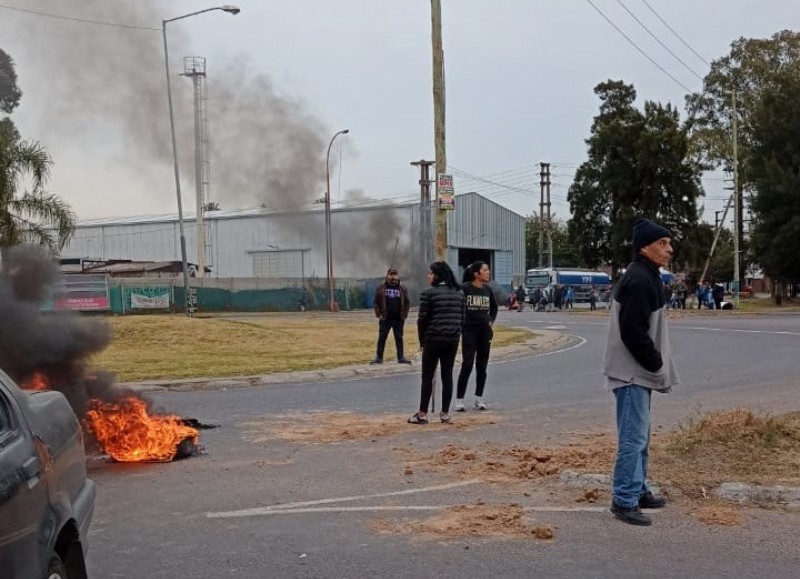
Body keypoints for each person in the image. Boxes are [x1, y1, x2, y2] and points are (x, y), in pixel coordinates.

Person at [603, 218, 681, 526]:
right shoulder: (639, 279)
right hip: (631, 372)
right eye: (663, 243)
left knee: (641, 437)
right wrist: (654, 362)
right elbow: (632, 330)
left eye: (669, 243)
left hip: (638, 372)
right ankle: (624, 499)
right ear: (644, 247)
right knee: (633, 439)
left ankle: (638, 489)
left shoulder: (647, 275)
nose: (669, 249)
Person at [409, 261, 465, 424]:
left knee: (427, 377)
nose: (428, 276)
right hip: (452, 340)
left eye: (430, 273)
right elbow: (462, 318)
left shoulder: (428, 294)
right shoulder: (459, 293)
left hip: (433, 339)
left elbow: (422, 320)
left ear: (437, 275)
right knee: (447, 376)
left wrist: (422, 342)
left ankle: (422, 413)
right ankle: (445, 412)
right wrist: (456, 334)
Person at [455, 261, 498, 412]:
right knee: (467, 364)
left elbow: (494, 307)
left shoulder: (487, 289)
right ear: (476, 274)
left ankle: (479, 398)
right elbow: (458, 306)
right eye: (485, 270)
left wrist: (491, 321)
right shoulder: (465, 288)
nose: (488, 272)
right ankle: (459, 400)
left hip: (484, 332)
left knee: (482, 365)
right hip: (469, 331)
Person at [370, 267, 412, 365]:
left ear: (397, 275)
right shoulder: (381, 287)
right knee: (382, 338)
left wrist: (404, 314)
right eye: (391, 274)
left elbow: (407, 302)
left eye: (394, 274)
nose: (392, 276)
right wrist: (379, 314)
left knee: (399, 338)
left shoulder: (402, 287)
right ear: (387, 275)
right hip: (385, 318)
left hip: (398, 319)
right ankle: (379, 357)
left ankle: (401, 357)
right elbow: (376, 302)